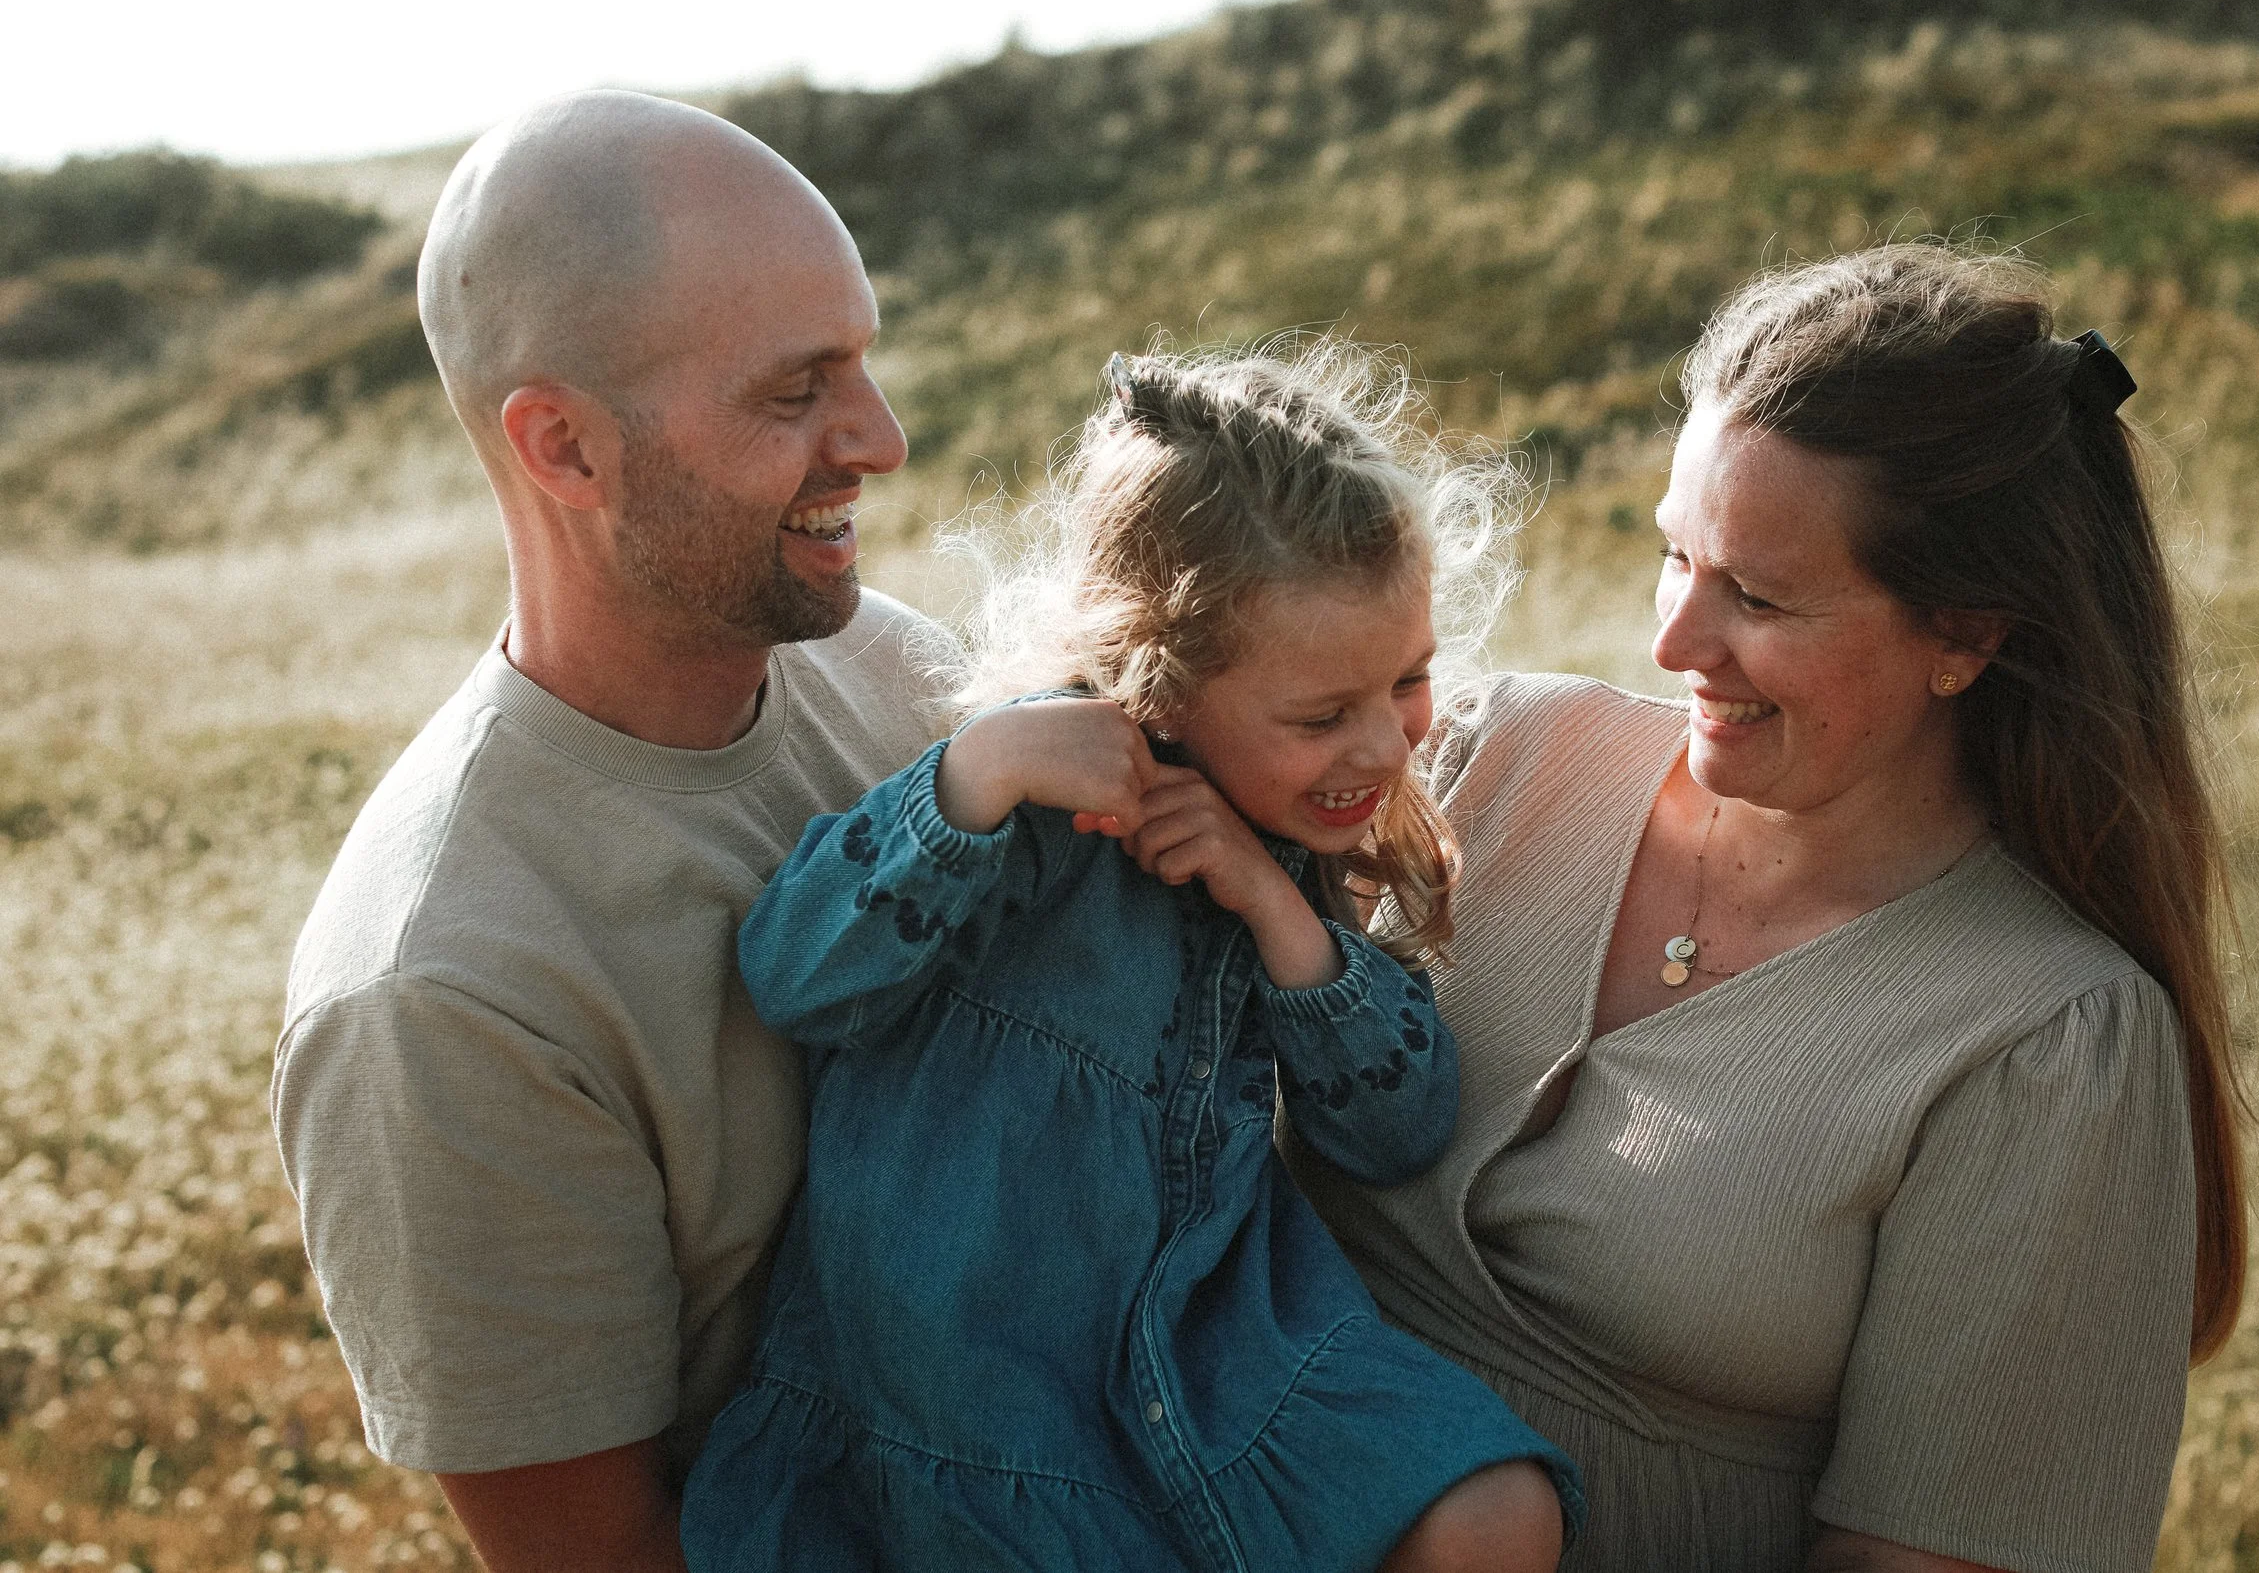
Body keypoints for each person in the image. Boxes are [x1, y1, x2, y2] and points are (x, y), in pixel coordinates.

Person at [1288, 245, 2249, 1573]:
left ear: (1966, 635)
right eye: (1674, 553)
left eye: (1758, 593)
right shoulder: (1484, 757)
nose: (1677, 637)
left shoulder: (2046, 1039)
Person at [678, 346, 1581, 1572]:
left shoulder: (1288, 846)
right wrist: (977, 775)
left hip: (1221, 1346)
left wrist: (1276, 907)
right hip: (972, 1376)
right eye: (1323, 714)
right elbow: (794, 968)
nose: (1384, 741)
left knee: (1498, 1511)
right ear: (1161, 677)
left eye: (1407, 679)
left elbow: (1397, 1129)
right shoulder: (1016, 812)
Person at [272, 89, 954, 1573]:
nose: (881, 439)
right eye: (797, 391)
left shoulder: (894, 667)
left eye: (864, 364)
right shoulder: (441, 997)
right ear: (564, 447)